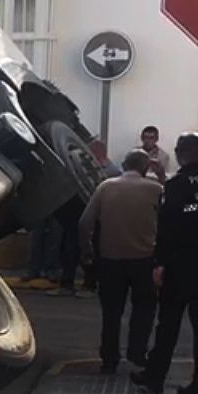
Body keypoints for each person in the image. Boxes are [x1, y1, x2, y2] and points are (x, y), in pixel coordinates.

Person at [132, 133, 198, 394]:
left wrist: (159, 263)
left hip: (179, 267)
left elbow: (167, 228)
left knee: (168, 325)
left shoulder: (176, 185)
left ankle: (155, 377)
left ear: (179, 154)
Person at [79, 149, 161, 374]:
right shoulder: (155, 189)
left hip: (110, 260)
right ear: (146, 168)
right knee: (144, 307)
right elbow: (168, 222)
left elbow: (85, 222)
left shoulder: (105, 187)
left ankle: (109, 358)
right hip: (144, 259)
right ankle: (137, 351)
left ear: (124, 165)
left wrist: (87, 250)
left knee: (111, 312)